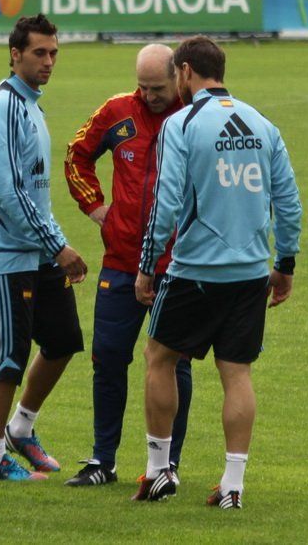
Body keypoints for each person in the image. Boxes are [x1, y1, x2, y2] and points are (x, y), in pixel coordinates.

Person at [132, 35, 302, 508]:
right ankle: (232, 485)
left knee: (159, 357)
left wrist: (147, 266)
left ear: (185, 72)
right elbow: (288, 202)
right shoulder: (262, 123)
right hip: (250, 274)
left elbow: (166, 202)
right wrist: (284, 264)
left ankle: (158, 471)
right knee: (237, 373)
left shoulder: (182, 123)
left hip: (195, 271)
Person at [62, 44, 192, 486]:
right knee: (108, 359)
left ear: (178, 77)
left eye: (158, 88)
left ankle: (167, 465)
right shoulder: (117, 112)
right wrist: (96, 207)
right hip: (120, 262)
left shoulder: (192, 116)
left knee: (175, 365)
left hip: (176, 265)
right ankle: (103, 461)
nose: (149, 96)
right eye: (143, 87)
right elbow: (76, 154)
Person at [0, 13, 88, 482]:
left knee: (63, 340)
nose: (49, 61)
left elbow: (35, 192)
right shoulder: (5, 105)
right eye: (39, 52)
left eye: (54, 52)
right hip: (5, 253)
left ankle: (21, 428)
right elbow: (8, 191)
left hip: (36, 250)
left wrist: (52, 243)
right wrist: (58, 245)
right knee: (9, 357)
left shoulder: (31, 106)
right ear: (15, 54)